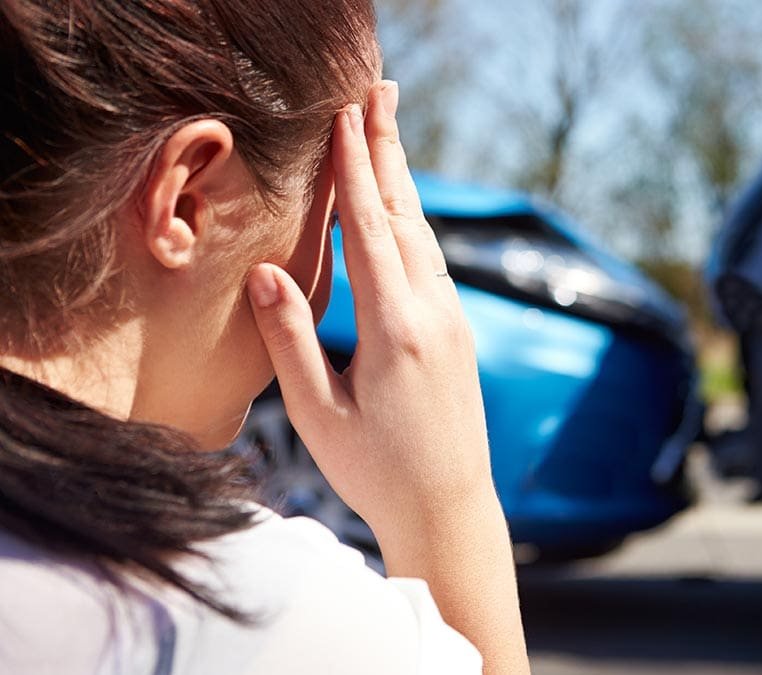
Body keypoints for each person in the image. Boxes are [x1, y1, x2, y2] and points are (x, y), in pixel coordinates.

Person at [0, 1, 529, 673]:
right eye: (331, 217)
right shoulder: (264, 618)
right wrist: (449, 509)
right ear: (190, 200)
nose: (323, 290)